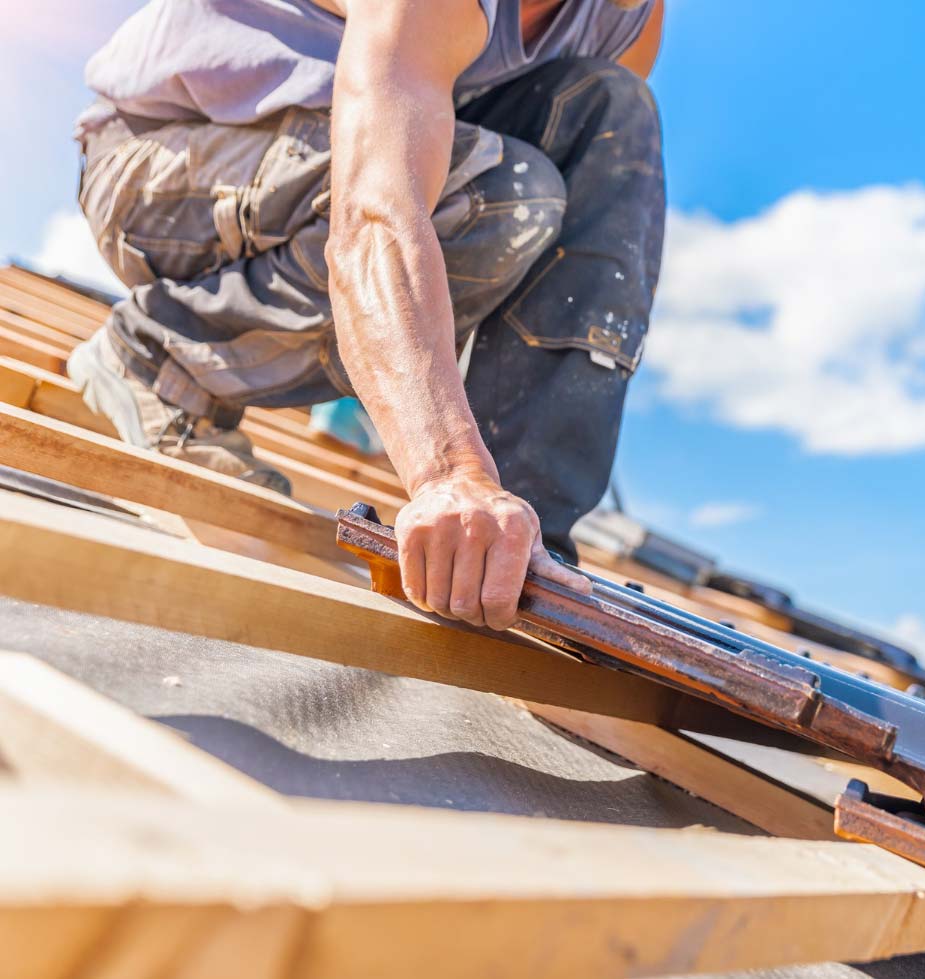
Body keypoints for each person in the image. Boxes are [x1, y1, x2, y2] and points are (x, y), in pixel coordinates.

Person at [68, 0, 666, 631]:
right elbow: (378, 216)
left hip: (334, 163)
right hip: (160, 165)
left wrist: (490, 511)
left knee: (611, 113)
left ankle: (511, 545)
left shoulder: (626, 19)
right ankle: (162, 356)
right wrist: (446, 471)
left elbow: (579, 229)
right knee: (508, 197)